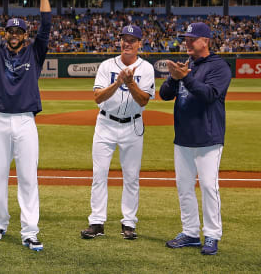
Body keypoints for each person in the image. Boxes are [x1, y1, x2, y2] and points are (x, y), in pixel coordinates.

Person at [0, 0, 51, 251]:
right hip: (0, 121)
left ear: (24, 35)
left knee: (27, 177)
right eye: (10, 31)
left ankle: (30, 230)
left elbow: (46, 24)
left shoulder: (34, 52)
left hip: (24, 122)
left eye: (18, 31)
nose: (13, 35)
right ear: (5, 33)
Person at [160, 22, 231, 255]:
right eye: (186, 38)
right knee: (184, 187)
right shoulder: (186, 65)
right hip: (183, 137)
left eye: (192, 38)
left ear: (205, 41)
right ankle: (190, 232)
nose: (187, 42)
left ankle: (212, 234)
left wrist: (185, 78)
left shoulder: (219, 67)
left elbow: (209, 95)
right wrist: (173, 77)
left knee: (209, 186)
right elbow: (164, 95)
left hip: (209, 138)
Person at [80, 25, 155, 241]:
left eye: (132, 40)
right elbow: (98, 97)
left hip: (132, 126)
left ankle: (129, 223)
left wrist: (130, 83)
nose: (127, 43)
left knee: (131, 176)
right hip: (106, 124)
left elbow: (144, 100)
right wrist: (118, 82)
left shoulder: (147, 68)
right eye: (124, 39)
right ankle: (96, 222)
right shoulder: (106, 65)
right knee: (99, 174)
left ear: (140, 43)